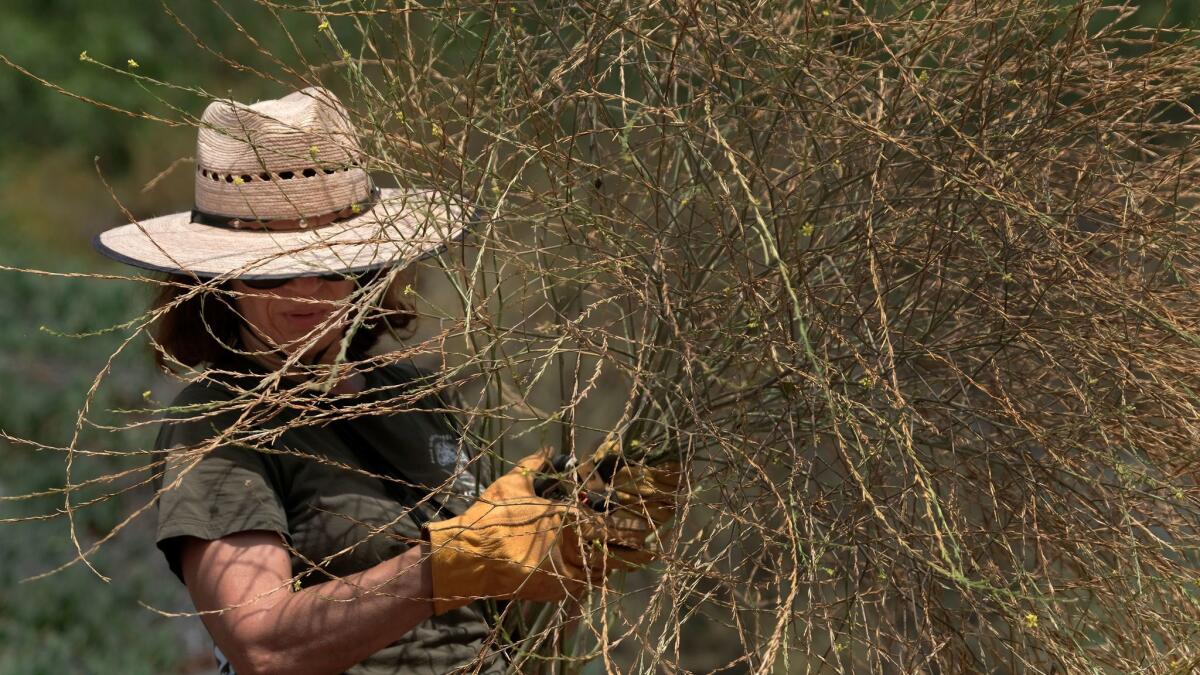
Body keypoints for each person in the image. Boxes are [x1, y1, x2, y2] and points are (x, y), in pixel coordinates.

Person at [93, 87, 679, 674]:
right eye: (273, 272)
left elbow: (505, 630)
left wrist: (567, 547)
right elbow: (264, 646)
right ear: (219, 280)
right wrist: (443, 564)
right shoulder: (220, 427)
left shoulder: (417, 396)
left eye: (333, 262)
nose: (308, 291)